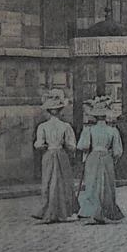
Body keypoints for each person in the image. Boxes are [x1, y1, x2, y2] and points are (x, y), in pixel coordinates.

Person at [76, 96, 126, 223]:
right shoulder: (112, 131)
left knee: (92, 184)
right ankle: (105, 210)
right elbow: (117, 151)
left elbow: (83, 146)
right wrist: (113, 158)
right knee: (107, 185)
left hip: (92, 157)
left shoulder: (89, 130)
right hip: (106, 157)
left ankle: (92, 211)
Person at [31, 90, 79, 223]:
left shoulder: (43, 126)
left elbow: (39, 144)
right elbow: (71, 145)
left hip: (48, 154)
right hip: (61, 154)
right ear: (60, 110)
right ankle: (64, 210)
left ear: (48, 111)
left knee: (48, 181)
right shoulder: (65, 126)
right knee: (64, 182)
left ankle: (48, 210)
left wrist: (45, 146)